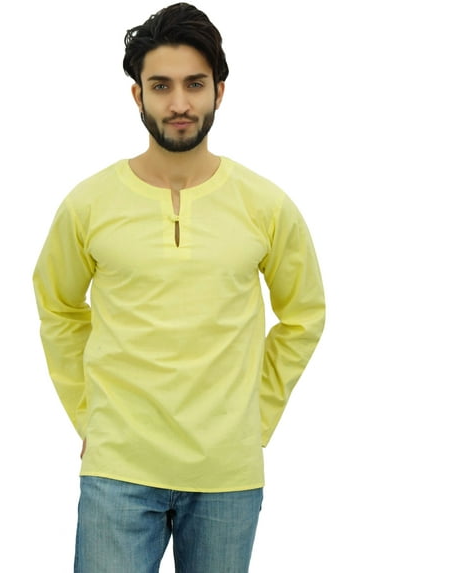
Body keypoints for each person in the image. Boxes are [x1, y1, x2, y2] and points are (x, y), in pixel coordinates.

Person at [33, 3, 325, 572]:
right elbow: (58, 307)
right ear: (137, 95)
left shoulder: (265, 205)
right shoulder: (89, 204)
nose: (179, 104)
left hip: (226, 474)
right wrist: (89, 416)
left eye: (194, 84)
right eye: (161, 86)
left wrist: (257, 416)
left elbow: (304, 315)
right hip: (119, 469)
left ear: (219, 91)